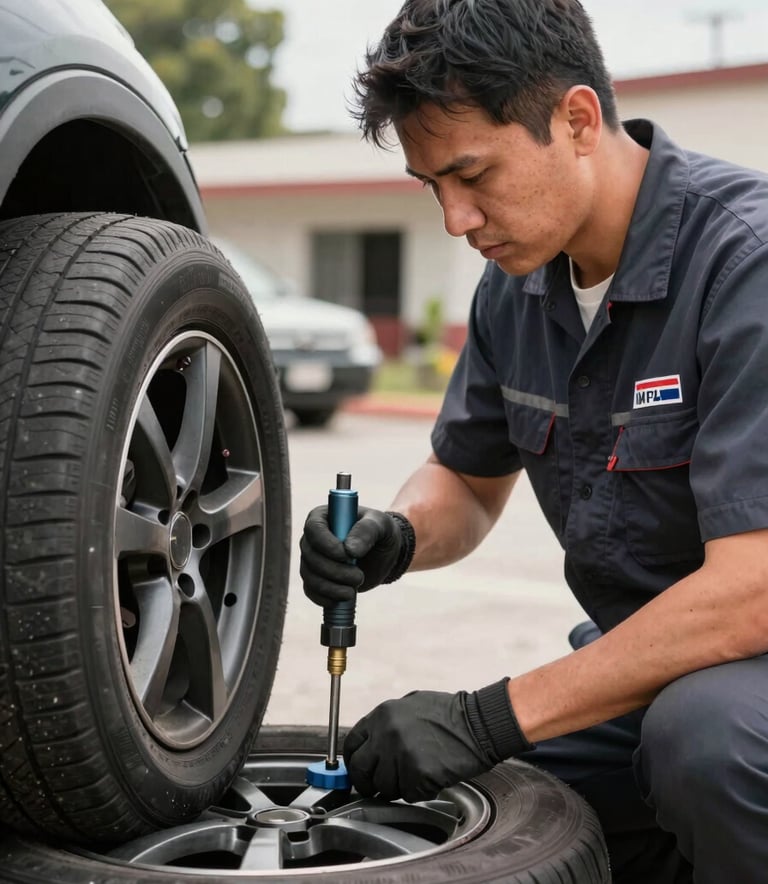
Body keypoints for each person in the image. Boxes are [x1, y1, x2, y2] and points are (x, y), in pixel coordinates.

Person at [298, 1, 768, 880]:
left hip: (740, 680)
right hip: (655, 673)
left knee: (706, 743)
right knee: (511, 806)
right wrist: (395, 536)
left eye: (473, 174)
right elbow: (468, 483)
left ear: (578, 120)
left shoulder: (746, 263)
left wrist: (485, 717)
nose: (456, 219)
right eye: (432, 185)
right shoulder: (515, 286)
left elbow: (753, 592)